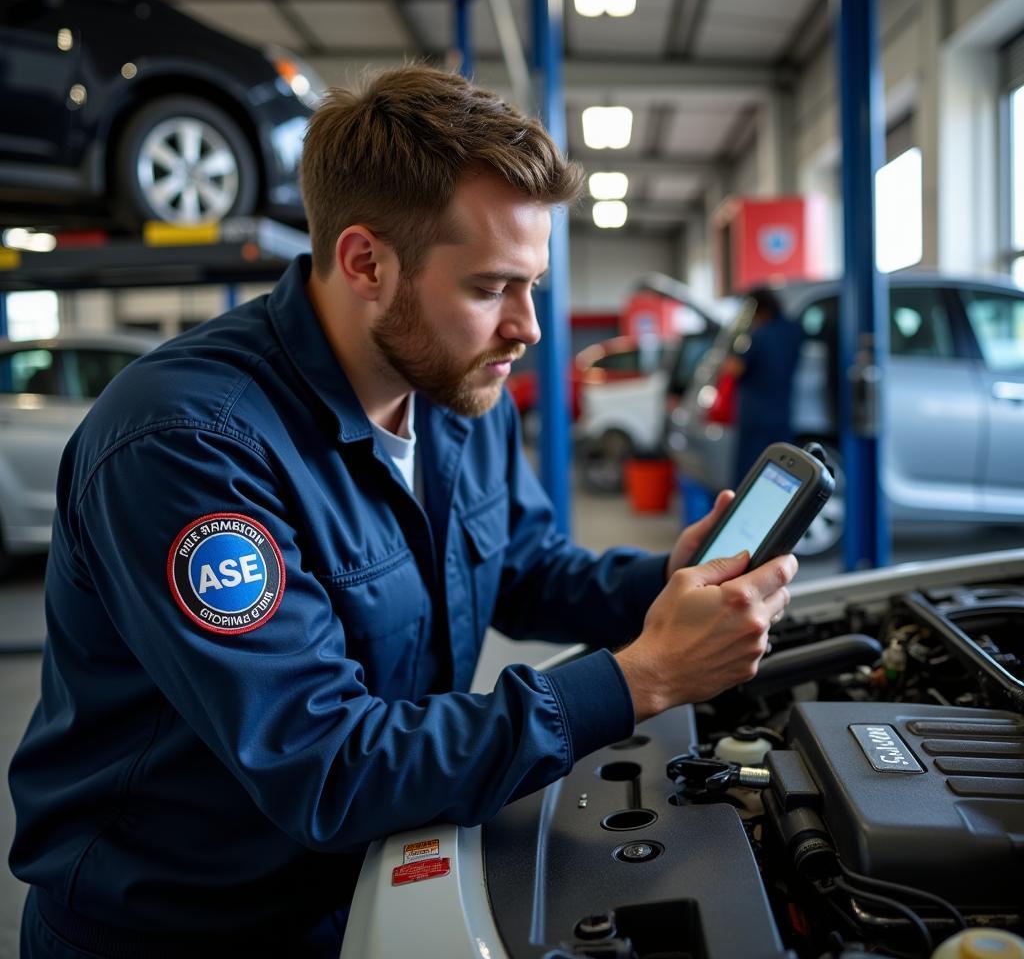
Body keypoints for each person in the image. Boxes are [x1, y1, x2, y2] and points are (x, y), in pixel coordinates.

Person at [9, 66, 796, 958]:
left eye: (532, 284)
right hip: (179, 929)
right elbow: (326, 763)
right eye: (492, 287)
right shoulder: (189, 444)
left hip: (369, 877)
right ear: (365, 262)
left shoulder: (456, 390)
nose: (528, 328)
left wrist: (666, 579)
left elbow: (524, 565)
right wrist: (642, 678)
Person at [725, 286, 805, 486]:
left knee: (751, 473)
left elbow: (734, 369)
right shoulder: (793, 331)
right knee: (781, 469)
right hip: (782, 413)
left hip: (756, 416)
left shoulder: (758, 336)